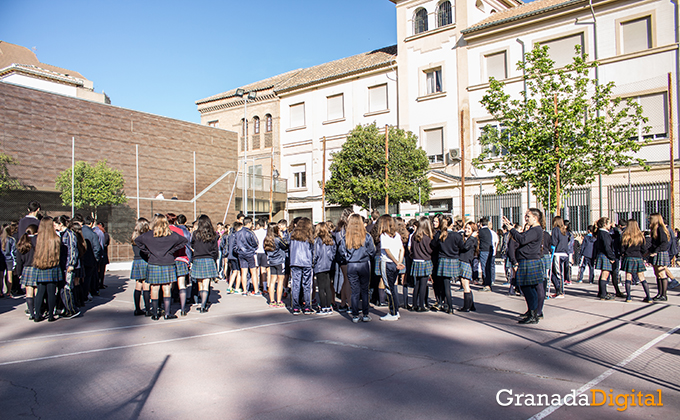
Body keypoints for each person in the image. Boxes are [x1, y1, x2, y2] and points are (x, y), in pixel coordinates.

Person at [134, 214, 188, 320]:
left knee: (154, 287)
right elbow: (184, 241)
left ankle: (154, 313)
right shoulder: (171, 235)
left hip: (154, 262)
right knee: (166, 287)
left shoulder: (149, 235)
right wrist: (171, 251)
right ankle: (167, 313)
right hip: (168, 262)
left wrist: (148, 252)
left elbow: (137, 241)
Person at [502, 208, 544, 325]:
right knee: (527, 288)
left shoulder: (536, 230)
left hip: (530, 261)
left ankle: (533, 314)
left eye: (528, 216)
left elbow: (522, 239)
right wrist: (511, 226)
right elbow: (522, 237)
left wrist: (511, 229)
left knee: (528, 288)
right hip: (527, 261)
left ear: (535, 218)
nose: (526, 218)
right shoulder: (532, 229)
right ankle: (532, 312)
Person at [338, 214, 376, 323]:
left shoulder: (346, 236)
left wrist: (348, 257)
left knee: (354, 291)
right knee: (364, 290)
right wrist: (367, 256)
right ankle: (365, 314)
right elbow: (372, 251)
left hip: (351, 264)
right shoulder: (367, 236)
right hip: (364, 263)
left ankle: (355, 315)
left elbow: (341, 251)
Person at [32, 217, 64, 322]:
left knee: (40, 292)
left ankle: (37, 315)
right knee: (51, 292)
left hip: (40, 266)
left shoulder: (37, 239)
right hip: (53, 266)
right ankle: (51, 315)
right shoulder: (56, 239)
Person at [376, 215, 404, 320]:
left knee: (389, 288)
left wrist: (397, 262)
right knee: (393, 287)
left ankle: (393, 313)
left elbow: (387, 250)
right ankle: (396, 310)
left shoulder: (383, 236)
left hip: (387, 263)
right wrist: (399, 262)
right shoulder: (397, 235)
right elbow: (402, 249)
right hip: (395, 264)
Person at [190, 215, 219, 313]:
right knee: (206, 284)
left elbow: (192, 245)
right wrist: (214, 260)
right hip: (209, 259)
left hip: (198, 259)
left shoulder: (195, 234)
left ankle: (201, 303)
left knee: (200, 284)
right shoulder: (213, 235)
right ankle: (203, 305)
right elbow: (215, 250)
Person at [54, 215, 80, 319]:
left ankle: (72, 309)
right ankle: (65, 307)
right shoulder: (61, 234)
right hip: (62, 265)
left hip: (67, 265)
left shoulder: (69, 234)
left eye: (55, 224)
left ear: (60, 224)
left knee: (66, 287)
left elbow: (73, 250)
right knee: (62, 287)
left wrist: (71, 264)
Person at [620, 219, 651, 303]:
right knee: (642, 277)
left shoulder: (625, 235)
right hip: (638, 257)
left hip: (628, 257)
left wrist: (623, 253)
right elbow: (644, 249)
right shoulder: (640, 236)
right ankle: (648, 297)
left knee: (628, 277)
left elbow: (622, 249)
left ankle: (629, 297)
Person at [289, 217, 315, 315]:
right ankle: (307, 306)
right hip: (306, 261)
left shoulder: (293, 234)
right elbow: (313, 249)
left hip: (295, 260)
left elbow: (289, 246)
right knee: (307, 285)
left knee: (295, 284)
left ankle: (296, 307)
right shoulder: (309, 235)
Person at [409, 216, 434, 312]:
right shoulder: (427, 238)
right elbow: (429, 250)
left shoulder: (414, 236)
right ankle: (421, 305)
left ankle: (414, 304)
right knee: (423, 284)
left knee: (417, 284)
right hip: (424, 261)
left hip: (416, 260)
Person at [313, 222, 336, 315]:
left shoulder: (317, 240)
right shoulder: (331, 239)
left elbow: (316, 254)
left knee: (321, 288)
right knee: (328, 286)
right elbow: (333, 252)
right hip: (329, 265)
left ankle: (323, 307)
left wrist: (313, 262)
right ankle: (328, 306)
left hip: (319, 265)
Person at [16, 225, 38, 320]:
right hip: (36, 267)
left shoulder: (23, 242)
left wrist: (19, 272)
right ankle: (37, 310)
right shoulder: (36, 241)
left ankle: (31, 312)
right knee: (37, 290)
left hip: (26, 268)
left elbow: (19, 260)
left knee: (29, 292)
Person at [265, 222, 288, 308]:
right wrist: (282, 237)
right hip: (279, 261)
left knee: (272, 280)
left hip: (271, 261)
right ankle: (278, 300)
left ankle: (271, 300)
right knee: (280, 281)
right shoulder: (277, 239)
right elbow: (285, 246)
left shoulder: (266, 239)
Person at [130, 218, 151, 316]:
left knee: (138, 285)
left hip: (136, 261)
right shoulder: (145, 238)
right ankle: (147, 309)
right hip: (144, 261)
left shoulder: (134, 237)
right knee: (146, 285)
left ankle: (137, 308)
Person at [457, 221, 479, 312]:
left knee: (465, 285)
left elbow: (465, 247)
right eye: (466, 228)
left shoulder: (472, 240)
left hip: (465, 262)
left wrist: (471, 237)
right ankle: (471, 305)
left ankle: (466, 307)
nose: (466, 230)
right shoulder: (468, 238)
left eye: (469, 229)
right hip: (464, 261)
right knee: (466, 285)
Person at [236, 217, 260, 296]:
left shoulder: (238, 233)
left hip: (241, 253)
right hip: (249, 253)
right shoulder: (250, 233)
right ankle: (256, 290)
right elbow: (256, 243)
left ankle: (244, 290)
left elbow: (235, 244)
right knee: (253, 272)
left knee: (243, 272)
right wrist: (253, 249)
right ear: (249, 223)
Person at [648, 213, 670, 301]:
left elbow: (664, 243)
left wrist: (656, 252)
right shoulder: (655, 229)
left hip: (660, 253)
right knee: (657, 274)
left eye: (650, 218)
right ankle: (659, 293)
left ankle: (663, 295)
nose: (649, 220)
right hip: (656, 252)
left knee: (661, 273)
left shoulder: (660, 229)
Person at [594, 217, 616, 300]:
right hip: (605, 255)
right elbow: (607, 247)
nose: (610, 225)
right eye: (609, 223)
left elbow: (615, 235)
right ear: (605, 224)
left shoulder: (602, 232)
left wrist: (614, 227)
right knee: (605, 275)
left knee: (603, 274)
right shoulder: (604, 234)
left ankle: (602, 292)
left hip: (602, 254)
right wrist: (611, 257)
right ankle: (603, 294)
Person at [550, 216, 568, 299]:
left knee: (556, 273)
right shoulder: (564, 231)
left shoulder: (555, 230)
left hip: (557, 253)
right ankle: (560, 290)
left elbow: (554, 241)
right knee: (560, 273)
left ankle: (559, 291)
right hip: (564, 253)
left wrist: (552, 248)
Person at [477, 217, 495, 292]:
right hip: (490, 250)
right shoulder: (489, 231)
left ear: (481, 224)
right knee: (489, 268)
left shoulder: (481, 231)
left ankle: (487, 285)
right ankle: (488, 283)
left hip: (484, 250)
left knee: (484, 268)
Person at [226, 221, 242, 293]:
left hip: (230, 255)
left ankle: (229, 287)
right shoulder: (237, 235)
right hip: (236, 256)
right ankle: (237, 288)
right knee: (238, 272)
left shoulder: (230, 235)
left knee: (234, 271)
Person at [1, 225, 17, 297]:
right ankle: (8, 292)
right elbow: (14, 251)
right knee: (9, 277)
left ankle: (1, 292)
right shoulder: (11, 239)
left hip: (1, 259)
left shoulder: (1, 239)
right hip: (9, 259)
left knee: (0, 277)